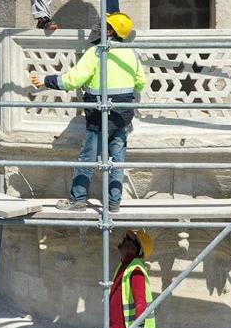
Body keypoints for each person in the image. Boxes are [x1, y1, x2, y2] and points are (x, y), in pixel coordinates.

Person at [30, 12, 145, 213]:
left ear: (110, 31)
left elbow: (73, 80)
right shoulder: (131, 53)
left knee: (88, 158)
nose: (99, 27)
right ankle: (114, 203)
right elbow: (141, 82)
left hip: (99, 116)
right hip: (122, 116)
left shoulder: (97, 52)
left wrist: (47, 80)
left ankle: (78, 199)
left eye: (104, 25)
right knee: (117, 160)